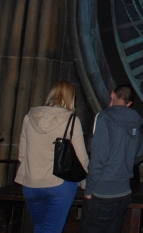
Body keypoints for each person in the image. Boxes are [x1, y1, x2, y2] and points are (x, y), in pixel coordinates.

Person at [15, 81, 89, 233]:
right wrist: (86, 185)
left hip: (30, 184)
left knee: (39, 227)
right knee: (52, 229)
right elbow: (81, 158)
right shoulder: (72, 120)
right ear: (70, 98)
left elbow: (22, 155)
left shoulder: (29, 118)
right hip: (59, 184)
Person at [80, 84, 143, 233]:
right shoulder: (136, 121)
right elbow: (138, 156)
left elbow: (98, 159)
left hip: (102, 192)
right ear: (129, 103)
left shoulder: (104, 117)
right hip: (123, 192)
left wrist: (89, 189)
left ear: (112, 94)